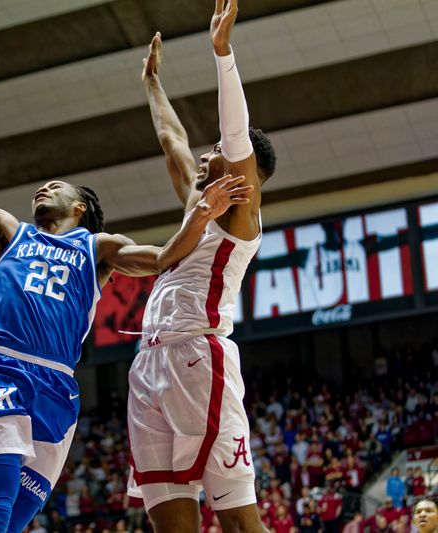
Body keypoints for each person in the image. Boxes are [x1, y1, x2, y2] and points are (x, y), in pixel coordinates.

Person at [0, 79, 252, 532]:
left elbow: (161, 259)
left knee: (16, 520)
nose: (42, 189)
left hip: (58, 388)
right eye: (40, 187)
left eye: (54, 186)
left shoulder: (98, 248)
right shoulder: (7, 232)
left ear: (79, 207)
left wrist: (201, 214)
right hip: (4, 371)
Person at [126, 1, 278, 532]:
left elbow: (236, 138)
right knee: (168, 522)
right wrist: (152, 84)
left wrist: (223, 53)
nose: (207, 153)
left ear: (246, 175)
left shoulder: (240, 216)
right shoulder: (198, 211)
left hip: (199, 358)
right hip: (148, 367)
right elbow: (172, 143)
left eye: (216, 149)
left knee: (238, 520)